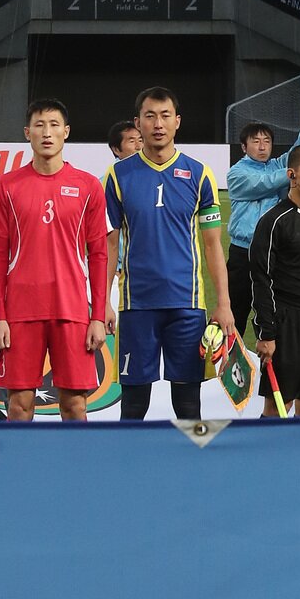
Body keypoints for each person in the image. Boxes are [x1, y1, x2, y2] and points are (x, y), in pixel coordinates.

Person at [104, 86, 233, 421]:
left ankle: (195, 467)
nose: (158, 124)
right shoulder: (117, 176)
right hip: (136, 306)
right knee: (133, 405)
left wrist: (224, 304)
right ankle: (127, 468)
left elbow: (212, 245)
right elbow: (110, 245)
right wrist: (102, 301)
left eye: (165, 116)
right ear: (138, 123)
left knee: (189, 404)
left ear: (177, 121)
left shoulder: (200, 174)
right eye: (150, 116)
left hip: (187, 305)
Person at [0, 99, 109, 423]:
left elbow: (98, 255)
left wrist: (97, 316)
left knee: (75, 406)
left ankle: (74, 472)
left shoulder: (88, 187)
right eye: (39, 125)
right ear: (27, 133)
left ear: (66, 132)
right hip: (21, 312)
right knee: (19, 406)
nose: (47, 132)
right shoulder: (7, 187)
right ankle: (22, 472)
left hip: (70, 310)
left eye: (54, 125)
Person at [226, 107, 300, 340]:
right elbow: (264, 183)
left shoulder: (278, 165)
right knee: (236, 309)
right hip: (242, 253)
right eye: (256, 141)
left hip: (272, 253)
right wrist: (292, 171)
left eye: (266, 141)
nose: (262, 146)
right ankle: (226, 368)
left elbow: (298, 151)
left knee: (269, 309)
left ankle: (269, 363)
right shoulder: (236, 173)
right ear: (244, 147)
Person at [251, 143, 300, 416]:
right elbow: (260, 279)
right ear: (292, 175)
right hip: (287, 323)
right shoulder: (273, 222)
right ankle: (261, 458)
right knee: (279, 406)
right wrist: (266, 333)